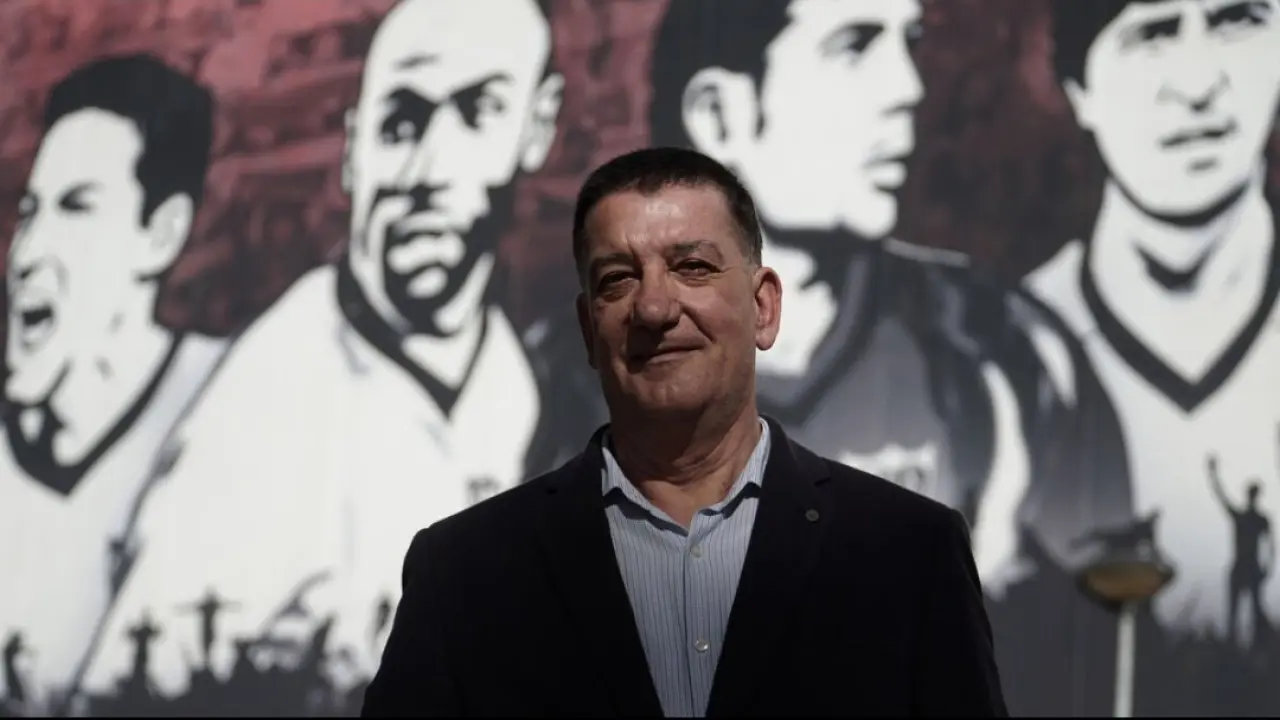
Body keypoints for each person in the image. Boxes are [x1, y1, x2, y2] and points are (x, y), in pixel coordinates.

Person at [361, 146, 1008, 717]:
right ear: (588, 330)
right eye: (619, 278)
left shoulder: (909, 555)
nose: (654, 306)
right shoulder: (465, 576)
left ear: (763, 307)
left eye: (692, 267)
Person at [80, 0, 566, 704]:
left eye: (477, 113)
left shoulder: (517, 383)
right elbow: (131, 694)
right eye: (401, 124)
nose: (430, 169)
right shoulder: (266, 404)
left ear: (536, 126)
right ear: (353, 147)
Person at [647, 0, 1133, 590]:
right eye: (854, 46)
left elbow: (1105, 620)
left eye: (911, 41)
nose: (907, 88)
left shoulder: (1009, 351)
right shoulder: (575, 381)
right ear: (721, 116)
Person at [1027, 0, 1280, 642]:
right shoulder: (1010, 358)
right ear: (1079, 89)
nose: (1199, 84)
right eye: (1152, 34)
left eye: (1237, 22)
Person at [0, 54, 225, 715]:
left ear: (161, 235)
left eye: (76, 208)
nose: (25, 253)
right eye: (29, 211)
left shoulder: (227, 407)